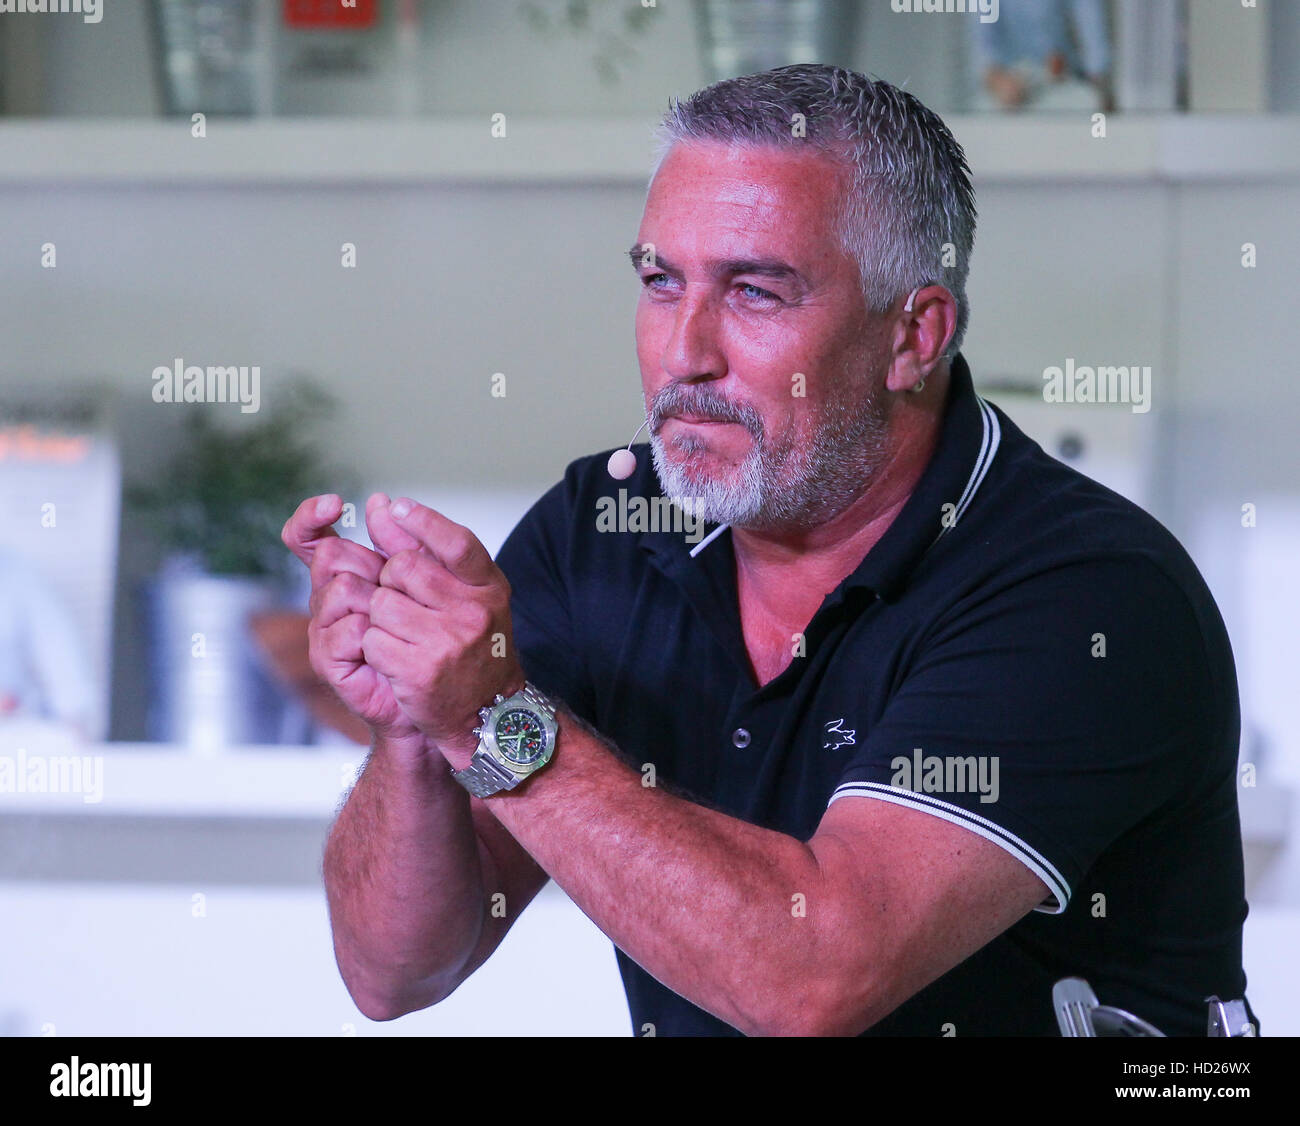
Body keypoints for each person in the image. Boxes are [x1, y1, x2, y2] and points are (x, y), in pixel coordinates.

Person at [282, 64, 1253, 1036]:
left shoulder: (1086, 594)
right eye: (661, 282)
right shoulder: (606, 524)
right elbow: (395, 972)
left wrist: (493, 715)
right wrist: (417, 719)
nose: (685, 352)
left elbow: (814, 980)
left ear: (914, 335)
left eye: (754, 291)